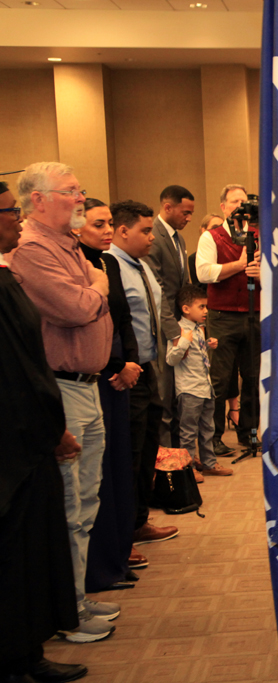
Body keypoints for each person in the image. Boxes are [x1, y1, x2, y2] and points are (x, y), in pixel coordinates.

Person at [8, 162, 121, 643]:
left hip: (87, 386)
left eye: (80, 190)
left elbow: (87, 297)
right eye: (71, 191)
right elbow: (76, 308)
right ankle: (67, 612)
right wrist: (98, 287)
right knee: (70, 505)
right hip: (62, 390)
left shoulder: (68, 245)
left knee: (86, 502)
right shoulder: (33, 249)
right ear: (38, 199)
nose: (80, 199)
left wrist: (92, 288)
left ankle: (75, 596)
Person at [0, 180, 93, 679]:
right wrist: (52, 429)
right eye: (7, 211)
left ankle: (25, 652)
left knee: (33, 549)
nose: (14, 218)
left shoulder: (6, 272)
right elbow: (17, 369)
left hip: (28, 438)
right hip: (14, 445)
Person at [79, 198, 145, 592]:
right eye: (98, 224)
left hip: (121, 371)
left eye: (109, 223)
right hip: (97, 374)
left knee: (121, 467)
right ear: (77, 227)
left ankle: (118, 557)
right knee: (97, 476)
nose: (107, 231)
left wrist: (130, 362)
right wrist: (114, 366)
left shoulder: (110, 263)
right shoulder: (77, 264)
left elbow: (124, 318)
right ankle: (99, 566)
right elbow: (82, 322)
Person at [108, 200, 180, 548]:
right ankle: (126, 531)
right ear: (123, 231)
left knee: (149, 445)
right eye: (146, 230)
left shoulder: (143, 266)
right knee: (131, 453)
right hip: (127, 371)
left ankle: (139, 520)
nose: (152, 237)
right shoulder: (111, 267)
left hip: (150, 367)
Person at [195, 184, 262, 455]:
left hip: (254, 314)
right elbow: (204, 273)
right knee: (220, 379)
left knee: (253, 377)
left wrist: (260, 274)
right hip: (222, 316)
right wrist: (240, 265)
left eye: (243, 201)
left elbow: (275, 274)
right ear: (223, 207)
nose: (239, 206)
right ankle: (213, 438)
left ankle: (249, 433)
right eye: (234, 201)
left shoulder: (258, 235)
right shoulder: (212, 237)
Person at [145, 185, 195, 449]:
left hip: (181, 324)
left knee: (179, 395)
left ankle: (182, 453)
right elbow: (158, 290)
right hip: (165, 328)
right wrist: (174, 332)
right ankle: (167, 459)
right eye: (185, 212)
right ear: (168, 207)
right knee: (165, 397)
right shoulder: (153, 236)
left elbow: (182, 285)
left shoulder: (179, 239)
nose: (189, 218)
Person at [167, 284, 232, 477]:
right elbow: (171, 359)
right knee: (188, 432)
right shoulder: (179, 330)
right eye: (201, 307)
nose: (206, 311)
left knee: (207, 429)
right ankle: (189, 469)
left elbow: (197, 355)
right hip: (189, 389)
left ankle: (209, 463)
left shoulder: (198, 329)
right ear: (186, 309)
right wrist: (184, 341)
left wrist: (208, 345)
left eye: (206, 306)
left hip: (205, 387)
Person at [188, 214, 223, 291]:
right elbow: (199, 288)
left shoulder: (229, 254)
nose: (219, 231)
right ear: (203, 230)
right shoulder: (193, 258)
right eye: (214, 228)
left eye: (222, 228)